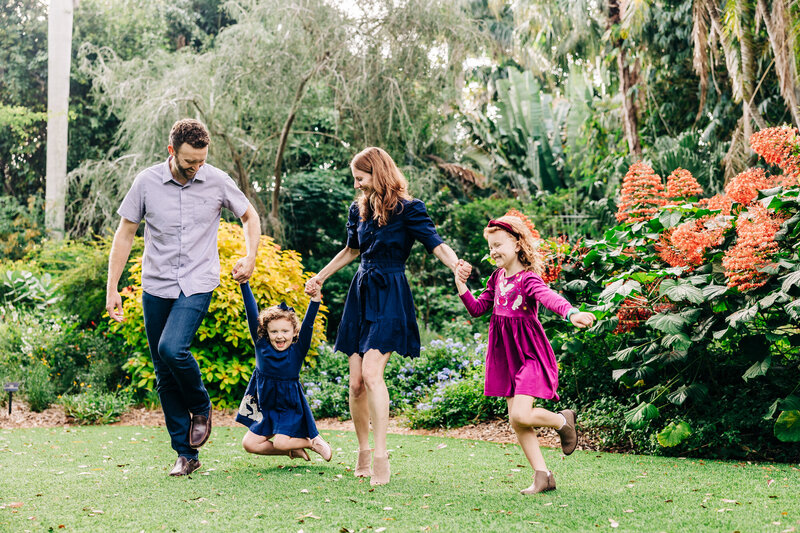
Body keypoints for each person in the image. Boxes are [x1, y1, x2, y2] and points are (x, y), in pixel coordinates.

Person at [105, 118, 261, 477]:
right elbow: (125, 234)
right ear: (172, 151)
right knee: (163, 373)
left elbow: (249, 216)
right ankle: (185, 453)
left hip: (197, 280)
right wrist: (112, 288)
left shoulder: (217, 180)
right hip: (156, 284)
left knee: (171, 348)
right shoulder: (146, 182)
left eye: (202, 161)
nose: (196, 168)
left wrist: (250, 255)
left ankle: (201, 405)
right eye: (190, 161)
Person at [304, 147, 465, 485]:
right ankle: (362, 450)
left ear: (377, 173)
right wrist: (320, 276)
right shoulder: (357, 209)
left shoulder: (410, 209)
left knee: (373, 373)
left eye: (360, 179)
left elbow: (436, 244)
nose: (357, 185)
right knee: (356, 383)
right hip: (361, 293)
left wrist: (456, 265)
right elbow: (352, 249)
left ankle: (380, 456)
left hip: (391, 293)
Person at [453, 211, 594, 495]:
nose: (493, 251)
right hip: (505, 356)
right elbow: (479, 308)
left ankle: (562, 420)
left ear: (517, 244)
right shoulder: (496, 278)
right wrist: (460, 285)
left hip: (528, 353)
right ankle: (542, 475)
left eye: (498, 245)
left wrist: (571, 312)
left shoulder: (528, 279)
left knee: (521, 414)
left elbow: (548, 297)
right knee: (516, 420)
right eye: (490, 247)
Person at [235, 281, 332, 462]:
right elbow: (251, 311)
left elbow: (309, 324)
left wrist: (315, 300)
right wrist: (244, 283)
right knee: (249, 444)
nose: (279, 336)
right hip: (267, 406)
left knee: (280, 441)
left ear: (295, 332)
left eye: (285, 331)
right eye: (274, 332)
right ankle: (292, 450)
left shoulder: (297, 350)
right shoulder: (261, 344)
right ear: (266, 332)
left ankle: (312, 442)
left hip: (289, 407)